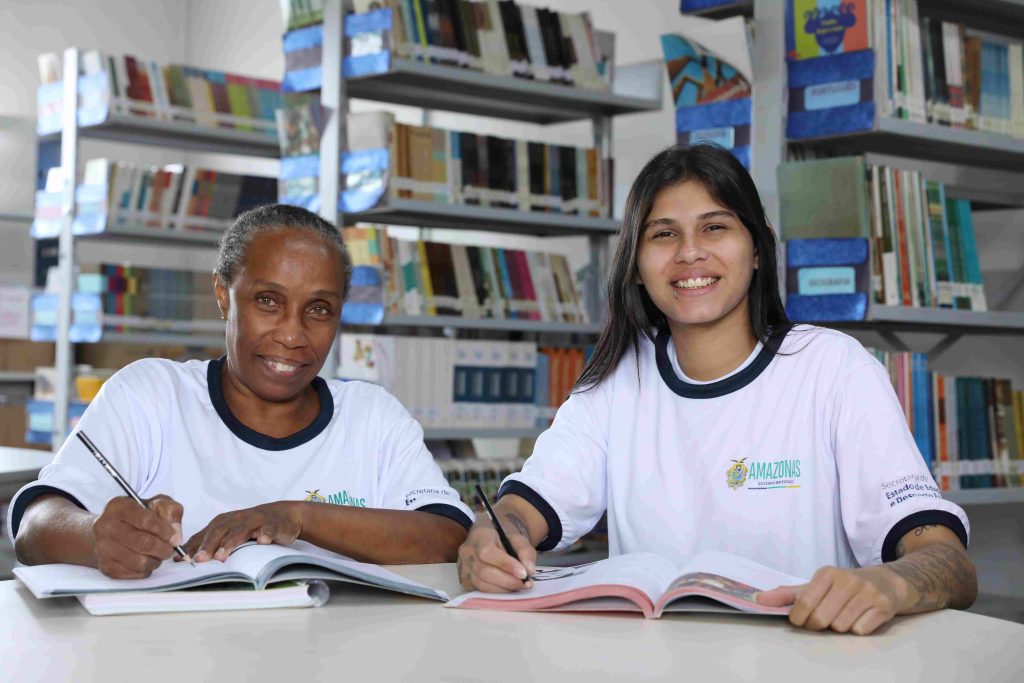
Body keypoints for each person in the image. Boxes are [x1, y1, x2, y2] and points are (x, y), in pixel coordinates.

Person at [456, 144, 977, 635]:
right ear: (636, 266)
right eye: (663, 234)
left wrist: (892, 583)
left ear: (756, 250)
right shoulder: (616, 382)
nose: (689, 253)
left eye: (715, 227)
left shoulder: (833, 368)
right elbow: (526, 508)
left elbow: (947, 561)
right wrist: (495, 531)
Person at [12, 204, 472, 578]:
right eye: (267, 301)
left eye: (319, 309)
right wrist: (96, 536)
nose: (292, 335)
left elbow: (447, 540)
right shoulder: (151, 394)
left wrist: (299, 516)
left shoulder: (373, 417)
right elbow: (35, 525)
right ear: (222, 295)